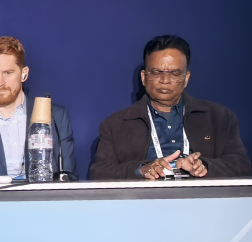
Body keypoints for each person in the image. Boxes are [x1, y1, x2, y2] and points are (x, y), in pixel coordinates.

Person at [89, 35, 250, 180]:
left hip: (203, 200)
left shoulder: (220, 118)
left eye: (174, 73)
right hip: (143, 201)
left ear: (186, 78)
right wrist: (141, 170)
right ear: (144, 78)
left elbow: (241, 166)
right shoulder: (115, 125)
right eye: (157, 72)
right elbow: (99, 173)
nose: (165, 80)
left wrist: (204, 166)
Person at [0, 36, 77, 182]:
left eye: (8, 73)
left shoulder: (55, 117)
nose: (0, 82)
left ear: (24, 74)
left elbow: (67, 179)